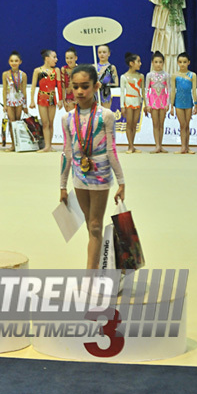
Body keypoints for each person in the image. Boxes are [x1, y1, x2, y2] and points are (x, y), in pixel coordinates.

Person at [60, 64, 125, 270]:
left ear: (96, 86)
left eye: (85, 86)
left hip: (101, 173)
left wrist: (121, 181)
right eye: (76, 86)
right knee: (89, 225)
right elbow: (67, 152)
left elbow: (111, 150)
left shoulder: (106, 116)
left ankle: (90, 276)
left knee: (96, 225)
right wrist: (62, 185)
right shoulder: (67, 118)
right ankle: (97, 267)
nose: (80, 91)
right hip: (79, 173)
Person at [30, 49, 63, 152]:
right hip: (42, 97)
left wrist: (61, 99)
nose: (56, 59)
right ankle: (46, 146)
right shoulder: (38, 71)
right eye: (54, 57)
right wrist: (32, 100)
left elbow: (59, 86)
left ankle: (49, 146)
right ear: (47, 58)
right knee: (45, 123)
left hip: (52, 97)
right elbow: (33, 86)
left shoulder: (56, 70)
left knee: (51, 122)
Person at [170, 52, 197, 154]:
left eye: (184, 62)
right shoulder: (175, 75)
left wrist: (196, 104)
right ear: (177, 63)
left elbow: (194, 90)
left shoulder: (192, 75)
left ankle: (187, 147)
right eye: (180, 62)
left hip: (188, 102)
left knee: (187, 125)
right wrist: (171, 106)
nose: (182, 64)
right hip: (178, 102)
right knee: (182, 125)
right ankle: (183, 147)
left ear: (188, 63)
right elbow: (173, 90)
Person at [145, 51, 171, 153]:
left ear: (163, 63)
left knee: (161, 124)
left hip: (163, 101)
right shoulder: (149, 75)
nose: (158, 64)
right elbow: (147, 89)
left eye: (160, 62)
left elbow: (169, 90)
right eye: (156, 62)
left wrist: (167, 103)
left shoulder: (166, 75)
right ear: (152, 63)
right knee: (155, 124)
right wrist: (148, 104)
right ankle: (157, 145)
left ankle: (161, 145)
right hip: (153, 101)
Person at [2, 50, 28, 151]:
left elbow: (24, 90)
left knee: (18, 122)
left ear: (20, 62)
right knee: (11, 122)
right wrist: (4, 104)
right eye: (12, 61)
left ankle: (18, 144)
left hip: (19, 100)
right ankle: (13, 144)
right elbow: (4, 89)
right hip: (10, 99)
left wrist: (25, 105)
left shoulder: (23, 75)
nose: (14, 63)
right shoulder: (6, 74)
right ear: (9, 62)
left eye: (16, 61)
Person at [120, 52, 145, 154]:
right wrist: (122, 106)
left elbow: (143, 91)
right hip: (129, 101)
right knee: (129, 124)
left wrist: (145, 104)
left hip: (137, 100)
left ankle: (133, 145)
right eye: (138, 61)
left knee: (135, 124)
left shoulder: (141, 76)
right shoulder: (124, 77)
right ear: (131, 63)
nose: (140, 63)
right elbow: (122, 92)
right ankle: (129, 146)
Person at [96, 45, 119, 109]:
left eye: (104, 52)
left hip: (105, 95)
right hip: (95, 96)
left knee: (105, 116)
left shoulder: (112, 68)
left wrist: (104, 85)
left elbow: (116, 84)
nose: (102, 54)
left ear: (109, 53)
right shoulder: (94, 66)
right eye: (99, 52)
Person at [61, 47, 78, 112]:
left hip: (79, 97)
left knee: (79, 118)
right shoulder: (64, 69)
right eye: (67, 58)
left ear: (75, 58)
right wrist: (63, 100)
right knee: (71, 118)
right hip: (68, 97)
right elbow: (63, 86)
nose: (69, 60)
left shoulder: (79, 69)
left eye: (71, 58)